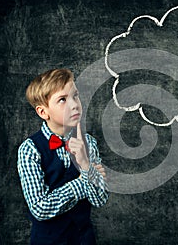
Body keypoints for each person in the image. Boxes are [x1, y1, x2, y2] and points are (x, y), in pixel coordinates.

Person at [17, 68, 109, 245]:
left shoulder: (88, 142)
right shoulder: (29, 149)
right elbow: (40, 208)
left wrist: (84, 163)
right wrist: (87, 177)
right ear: (43, 112)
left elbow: (100, 199)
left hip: (84, 240)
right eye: (62, 100)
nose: (74, 104)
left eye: (75, 95)